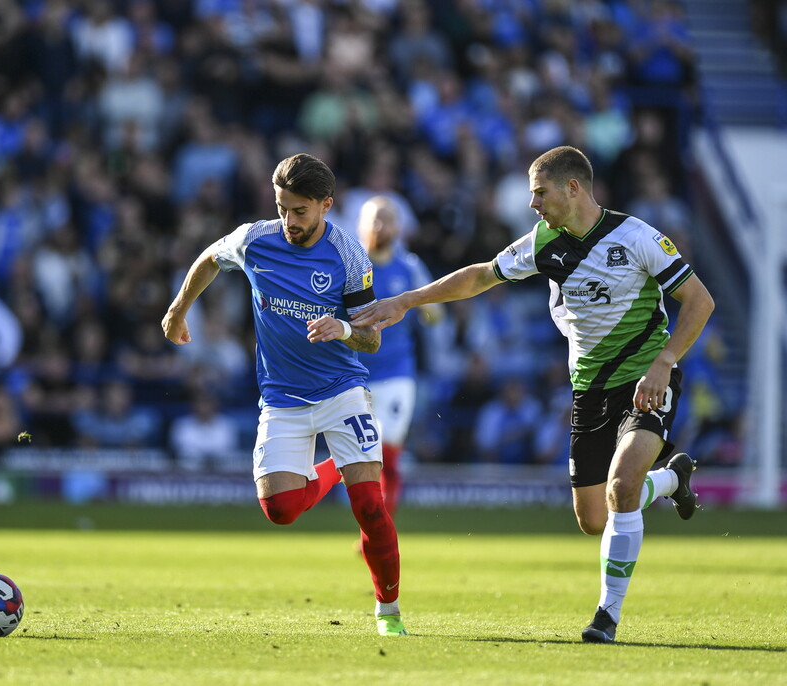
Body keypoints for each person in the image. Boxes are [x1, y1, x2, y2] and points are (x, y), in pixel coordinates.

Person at [353, 145, 715, 644]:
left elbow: (700, 299)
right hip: (588, 389)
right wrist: (406, 301)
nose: (532, 205)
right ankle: (671, 480)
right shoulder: (544, 242)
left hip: (644, 380)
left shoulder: (637, 238)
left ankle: (606, 617)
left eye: (539, 193)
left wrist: (664, 361)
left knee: (622, 486)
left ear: (574, 188)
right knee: (594, 518)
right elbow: (480, 275)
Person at [163, 153, 407, 637]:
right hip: (282, 398)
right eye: (282, 208)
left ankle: (388, 611)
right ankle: (337, 468)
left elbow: (372, 338)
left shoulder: (348, 255)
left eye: (299, 211)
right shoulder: (255, 239)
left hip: (341, 390)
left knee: (370, 506)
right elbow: (210, 259)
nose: (289, 221)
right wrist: (178, 310)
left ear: (325, 206)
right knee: (280, 510)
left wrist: (343, 328)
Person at [356, 195, 443, 516]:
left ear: (399, 227)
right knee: (361, 459)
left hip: (396, 373)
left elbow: (435, 314)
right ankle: (368, 524)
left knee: (389, 455)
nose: (381, 226)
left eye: (387, 219)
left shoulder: (409, 267)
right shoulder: (351, 268)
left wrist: (418, 306)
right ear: (361, 226)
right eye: (374, 219)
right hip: (353, 375)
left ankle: (383, 529)